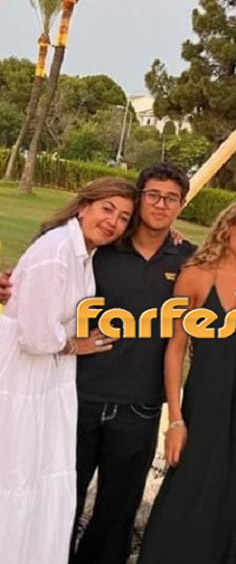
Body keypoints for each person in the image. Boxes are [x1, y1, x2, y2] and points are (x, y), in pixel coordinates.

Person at [0, 177, 137, 564]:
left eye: (124, 217)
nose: (113, 222)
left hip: (44, 377)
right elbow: (36, 335)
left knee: (35, 476)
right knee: (15, 473)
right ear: (83, 206)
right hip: (22, 375)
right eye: (107, 208)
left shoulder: (83, 253)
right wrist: (78, 344)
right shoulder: (57, 252)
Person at [138, 196, 236, 564]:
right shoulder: (196, 276)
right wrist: (176, 420)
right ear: (228, 226)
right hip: (204, 404)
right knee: (191, 493)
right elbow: (175, 349)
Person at [70, 162, 195, 564]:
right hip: (81, 394)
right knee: (63, 498)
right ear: (139, 198)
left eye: (171, 198)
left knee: (118, 510)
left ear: (181, 205)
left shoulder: (189, 259)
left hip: (139, 404)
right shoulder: (103, 246)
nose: (161, 204)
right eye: (153, 195)